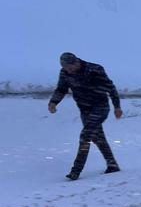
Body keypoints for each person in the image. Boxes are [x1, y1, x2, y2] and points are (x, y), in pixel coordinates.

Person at [48, 52, 123, 180]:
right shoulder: (64, 73)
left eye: (70, 68)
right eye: (66, 68)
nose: (69, 71)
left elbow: (111, 88)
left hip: (100, 107)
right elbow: (61, 89)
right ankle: (112, 164)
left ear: (76, 62)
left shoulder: (95, 69)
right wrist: (54, 102)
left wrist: (117, 107)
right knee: (97, 137)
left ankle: (75, 171)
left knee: (85, 136)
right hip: (85, 110)